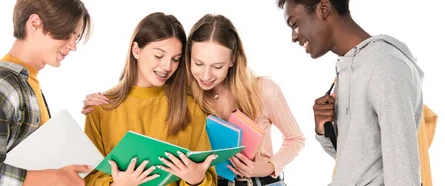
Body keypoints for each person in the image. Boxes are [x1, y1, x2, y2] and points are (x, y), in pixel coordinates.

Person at [84, 13, 305, 186]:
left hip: (260, 182)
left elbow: (296, 138)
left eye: (217, 66)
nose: (206, 76)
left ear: (232, 61)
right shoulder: (192, 94)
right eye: (197, 63)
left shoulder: (262, 89)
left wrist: (267, 167)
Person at [276, 0, 424, 185]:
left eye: (294, 24)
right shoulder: (346, 68)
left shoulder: (386, 65)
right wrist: (325, 130)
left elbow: (403, 171)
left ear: (323, 8)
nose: (293, 37)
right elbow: (355, 161)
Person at [0, 0, 92, 185]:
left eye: (76, 36)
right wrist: (56, 177)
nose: (73, 45)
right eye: (68, 33)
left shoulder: (27, 84)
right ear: (34, 24)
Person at [82, 12, 217, 186]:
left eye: (176, 59)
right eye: (159, 56)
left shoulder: (190, 108)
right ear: (136, 50)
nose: (168, 66)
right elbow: (88, 175)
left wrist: (196, 180)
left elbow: (209, 178)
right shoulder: (101, 108)